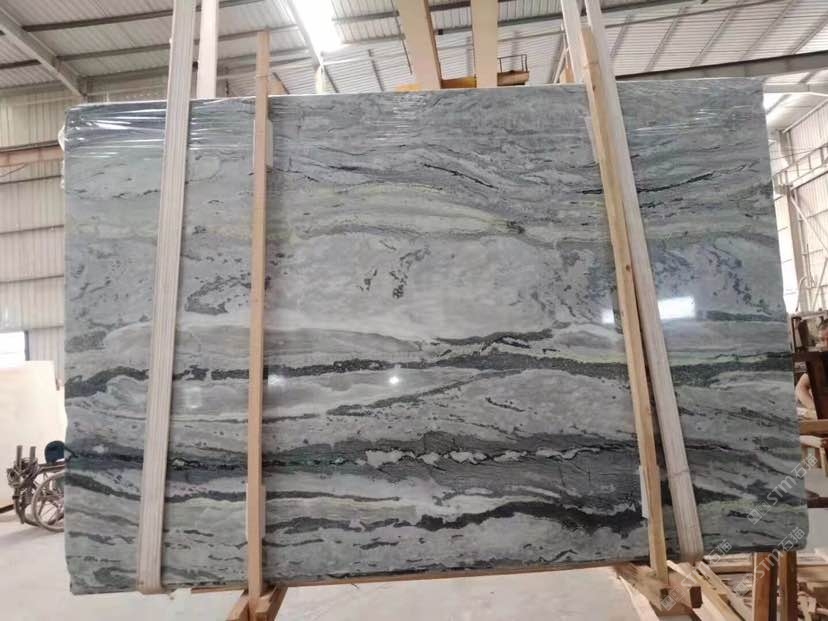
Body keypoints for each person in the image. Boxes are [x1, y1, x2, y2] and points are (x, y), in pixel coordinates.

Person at [795, 318, 828, 412]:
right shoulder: (821, 361)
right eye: (822, 340)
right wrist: (815, 409)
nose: (826, 345)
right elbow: (800, 387)